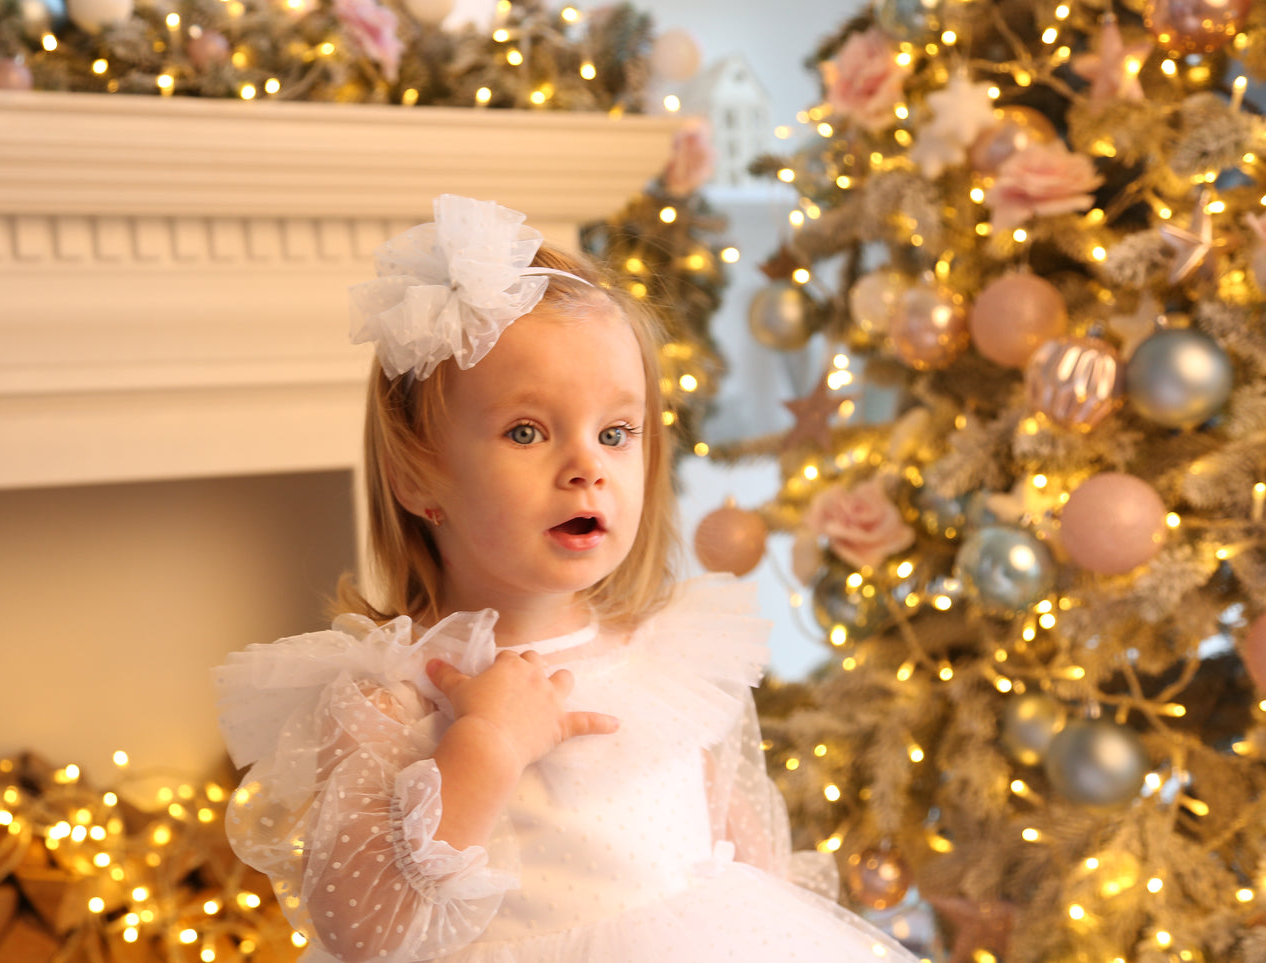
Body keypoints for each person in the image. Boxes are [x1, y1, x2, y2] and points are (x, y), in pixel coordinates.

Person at [214, 195, 917, 963]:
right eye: (526, 431)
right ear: (419, 478)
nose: (587, 466)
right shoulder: (396, 699)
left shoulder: (664, 663)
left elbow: (752, 872)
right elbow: (361, 932)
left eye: (615, 432)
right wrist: (483, 746)